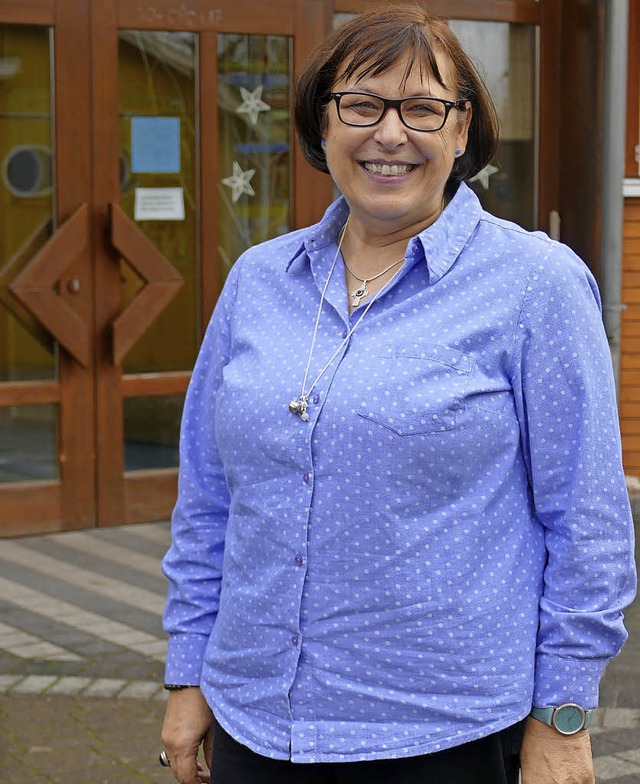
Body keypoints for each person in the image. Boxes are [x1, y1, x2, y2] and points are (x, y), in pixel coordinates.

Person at [159, 7, 637, 784]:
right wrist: (188, 677)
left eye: (422, 108)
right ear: (324, 122)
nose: (390, 134)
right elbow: (209, 504)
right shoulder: (257, 281)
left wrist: (565, 719)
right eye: (362, 104)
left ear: (461, 130)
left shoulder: (534, 285)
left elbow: (586, 523)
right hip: (256, 722)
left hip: (443, 734)